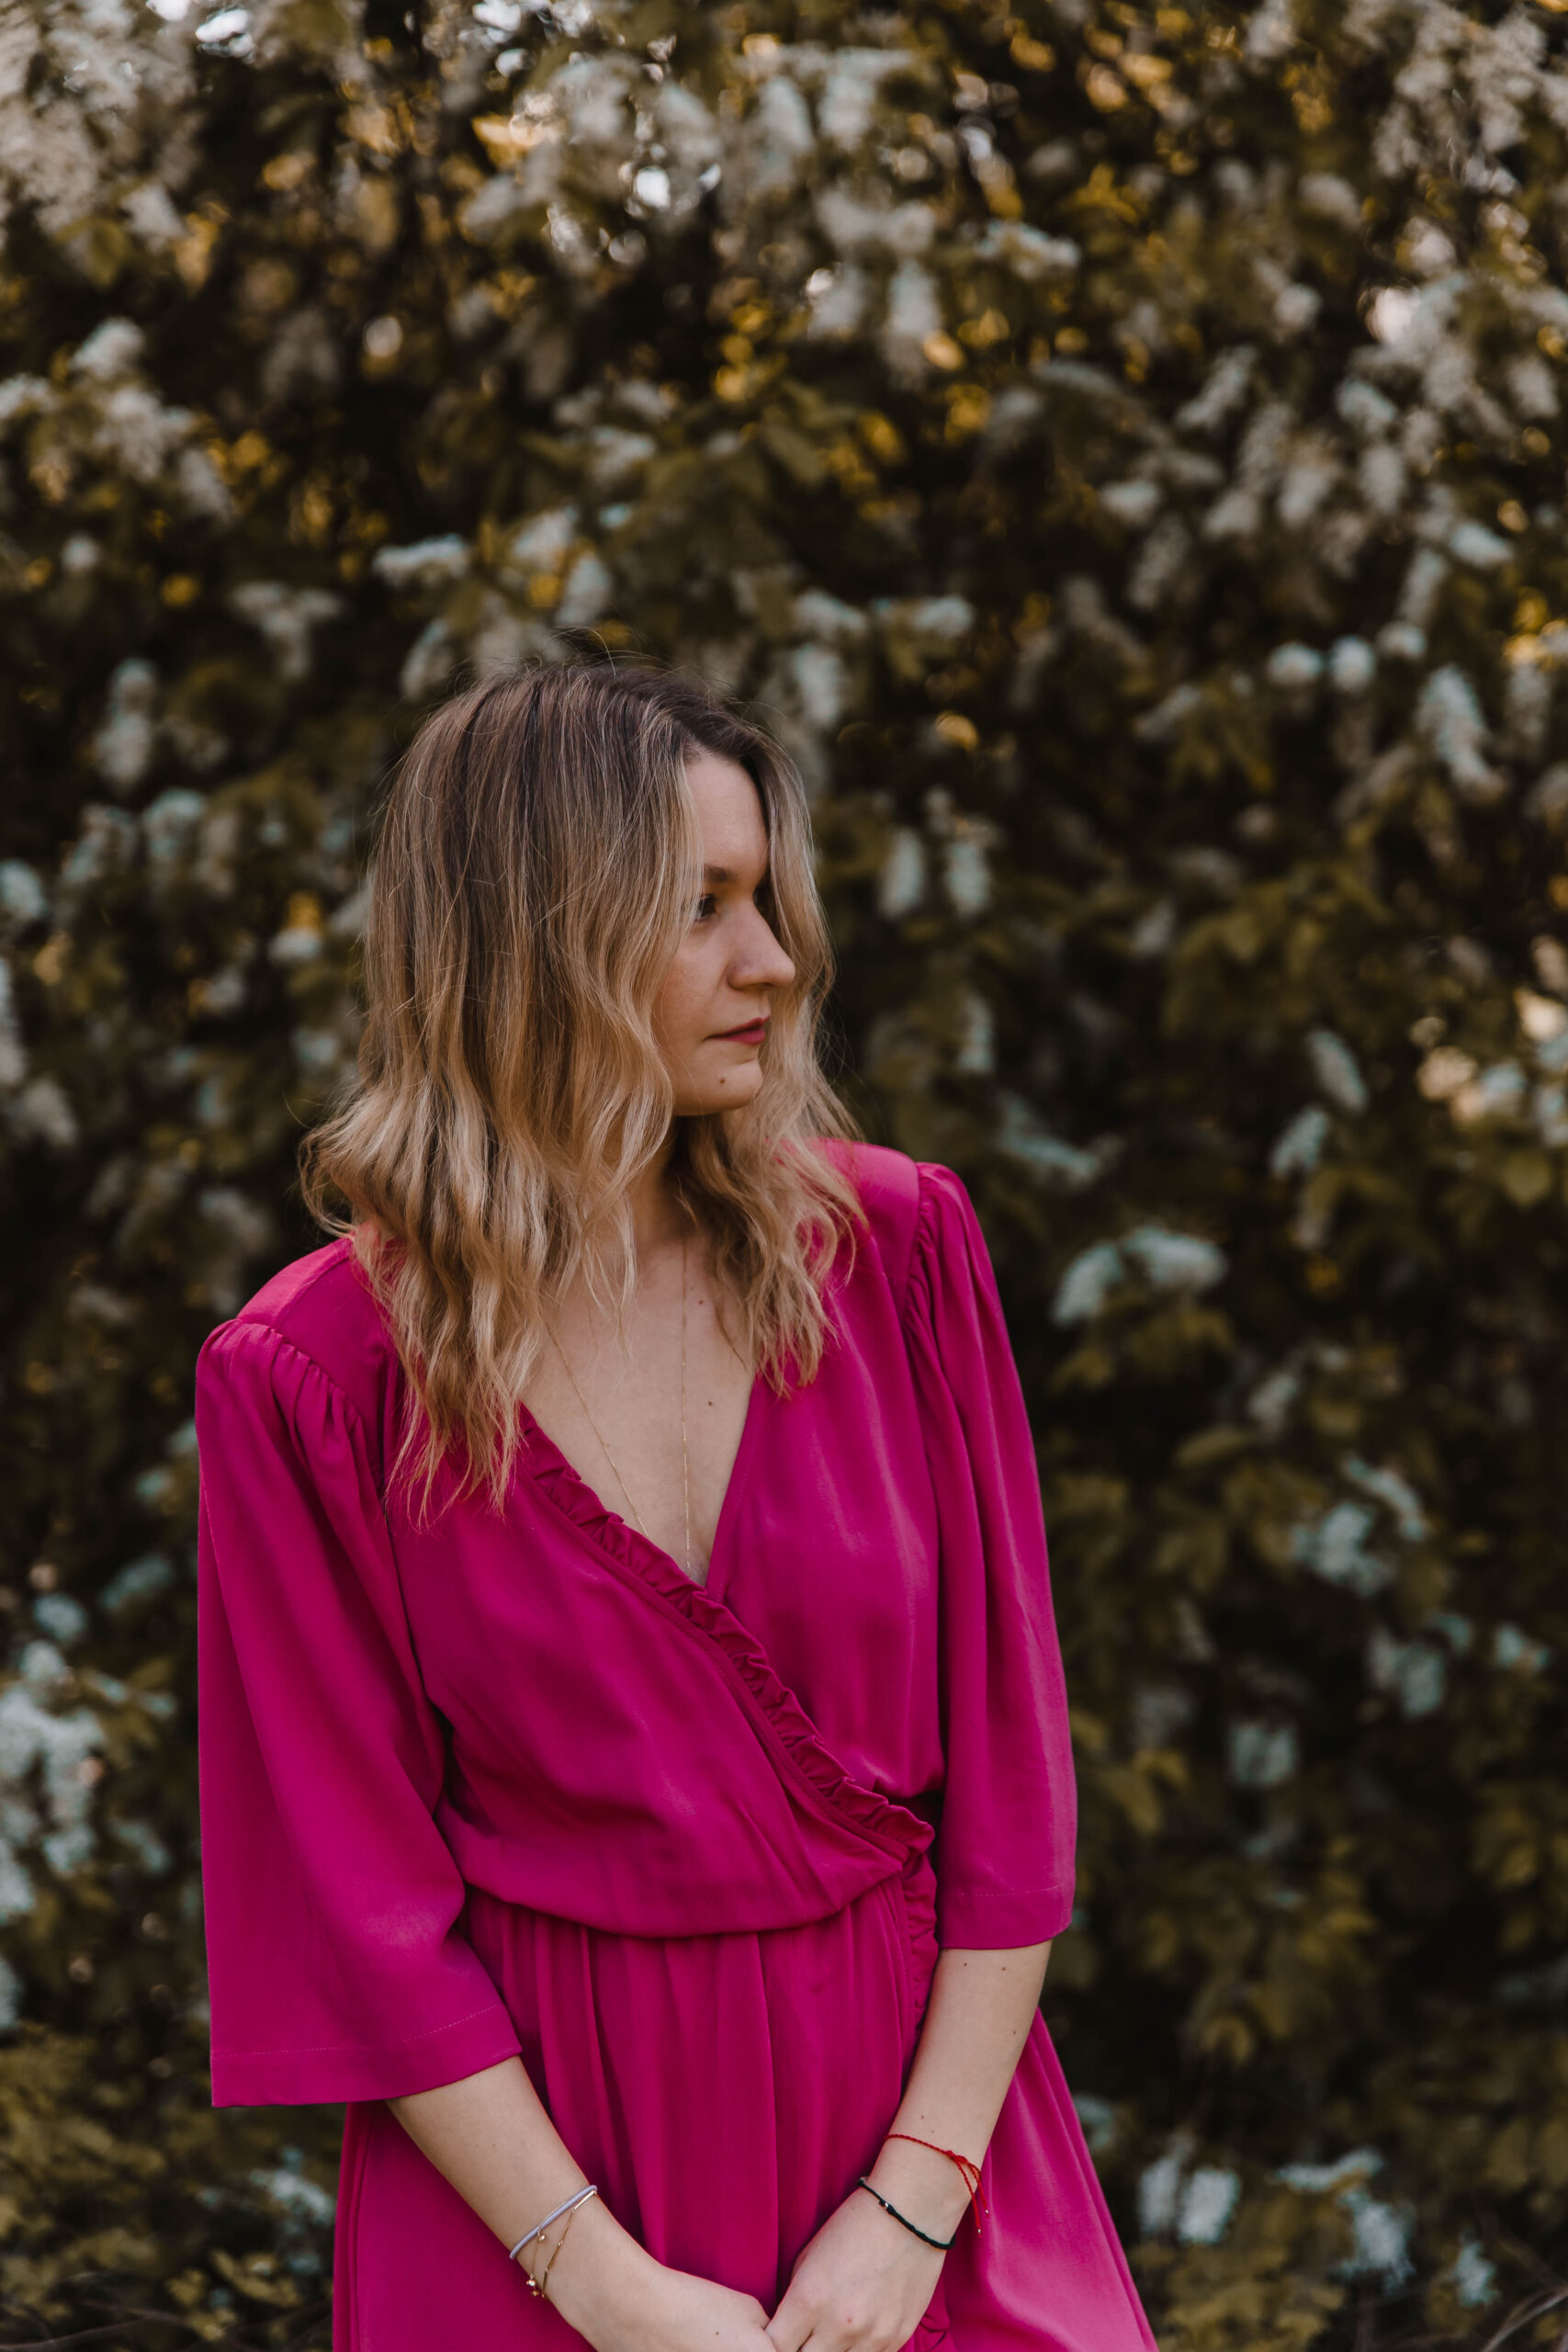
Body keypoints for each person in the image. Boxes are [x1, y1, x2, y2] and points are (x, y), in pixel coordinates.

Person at [195, 660, 1156, 2352]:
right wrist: (606, 2285)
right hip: (540, 2206)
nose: (773, 959)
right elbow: (360, 1905)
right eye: (701, 906)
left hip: (928, 2171)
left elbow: (1012, 1789)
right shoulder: (313, 1377)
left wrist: (914, 2203)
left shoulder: (895, 1253)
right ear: (535, 941)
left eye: (766, 898)